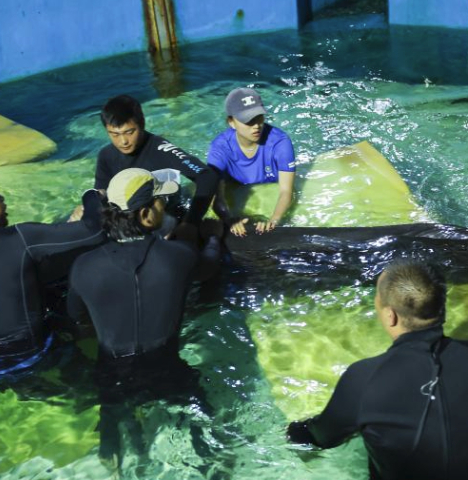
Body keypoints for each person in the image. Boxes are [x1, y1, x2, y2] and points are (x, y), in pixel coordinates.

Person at [287, 260, 468, 480]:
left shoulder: (364, 378)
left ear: (390, 316)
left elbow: (321, 437)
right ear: (442, 308)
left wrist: (295, 429)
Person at [67, 168, 222, 466]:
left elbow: (77, 318)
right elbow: (209, 269)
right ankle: (213, 465)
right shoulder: (179, 256)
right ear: (146, 214)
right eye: (160, 201)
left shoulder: (83, 266)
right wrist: (213, 238)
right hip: (168, 370)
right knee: (205, 428)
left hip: (112, 375)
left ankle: (110, 454)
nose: (164, 206)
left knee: (112, 415)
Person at [0, 167, 106, 381]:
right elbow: (94, 231)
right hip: (33, 356)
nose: (2, 199)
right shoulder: (19, 237)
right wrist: (92, 195)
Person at [88, 94, 219, 227]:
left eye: (129, 132)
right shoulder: (106, 155)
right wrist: (88, 208)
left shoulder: (161, 149)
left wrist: (190, 223)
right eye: (115, 134)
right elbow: (101, 193)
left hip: (167, 218)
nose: (123, 141)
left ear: (142, 124)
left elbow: (207, 176)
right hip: (129, 222)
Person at [208, 87, 296, 236]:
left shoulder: (280, 142)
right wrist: (229, 220)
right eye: (248, 120)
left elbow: (286, 191)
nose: (256, 125)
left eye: (259, 117)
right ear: (231, 122)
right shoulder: (220, 148)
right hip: (235, 185)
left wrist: (273, 221)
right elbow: (216, 196)